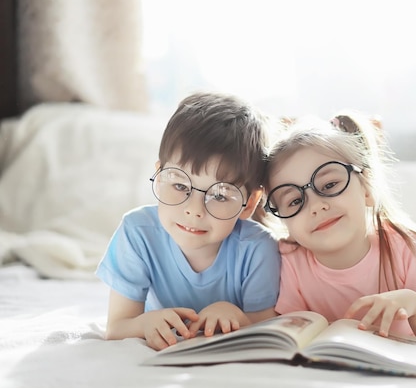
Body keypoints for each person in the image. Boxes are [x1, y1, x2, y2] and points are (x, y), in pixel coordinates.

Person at [264, 114, 416, 344]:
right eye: (295, 201)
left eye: (329, 184)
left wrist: (415, 303)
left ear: (368, 190)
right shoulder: (288, 261)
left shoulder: (410, 248)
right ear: (284, 222)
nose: (316, 206)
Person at [96, 92, 281, 351]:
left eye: (220, 195)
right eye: (180, 184)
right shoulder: (137, 233)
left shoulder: (257, 248)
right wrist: (145, 323)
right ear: (159, 176)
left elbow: (268, 328)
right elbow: (116, 328)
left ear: (249, 203)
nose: (194, 210)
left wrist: (238, 317)